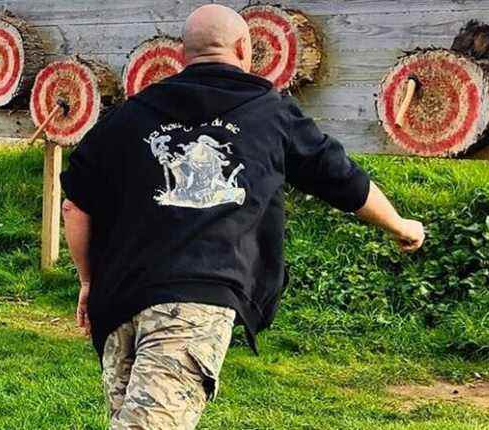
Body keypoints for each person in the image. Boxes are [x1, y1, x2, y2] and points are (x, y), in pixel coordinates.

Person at [60, 4, 425, 429]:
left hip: (120, 298)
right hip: (198, 300)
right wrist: (401, 224)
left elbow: (74, 205)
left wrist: (88, 280)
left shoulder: (130, 114)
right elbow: (342, 180)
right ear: (243, 49)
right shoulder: (269, 110)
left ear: (182, 55)